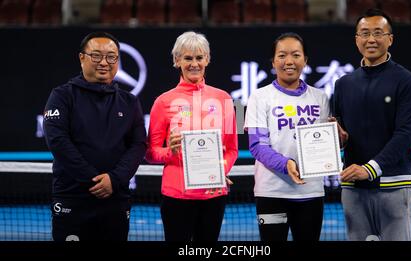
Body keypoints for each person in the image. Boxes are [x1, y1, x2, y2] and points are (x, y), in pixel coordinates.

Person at [43, 32, 147, 241]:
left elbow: (138, 145)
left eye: (111, 57)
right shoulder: (61, 96)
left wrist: (114, 180)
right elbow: (58, 141)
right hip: (72, 198)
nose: (104, 62)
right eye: (96, 56)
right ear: (82, 58)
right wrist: (95, 180)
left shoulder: (129, 101)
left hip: (116, 199)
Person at [332, 8, 411, 241]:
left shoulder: (407, 81)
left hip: (394, 184)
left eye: (378, 33)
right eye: (364, 33)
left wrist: (369, 169)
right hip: (353, 188)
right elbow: (340, 134)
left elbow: (405, 135)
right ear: (356, 40)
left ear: (390, 39)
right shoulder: (343, 85)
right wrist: (338, 140)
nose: (371, 39)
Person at [145, 31, 238, 242]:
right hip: (176, 195)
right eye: (187, 58)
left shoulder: (228, 99)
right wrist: (170, 152)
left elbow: (233, 149)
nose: (194, 63)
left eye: (199, 57)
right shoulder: (161, 101)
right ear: (177, 61)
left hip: (214, 194)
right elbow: (150, 152)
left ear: (207, 59)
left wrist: (219, 170)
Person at [244, 32, 329, 241]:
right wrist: (286, 164)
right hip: (271, 192)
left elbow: (324, 146)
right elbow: (256, 146)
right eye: (282, 55)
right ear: (273, 61)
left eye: (296, 55)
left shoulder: (320, 97)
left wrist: (339, 141)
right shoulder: (258, 97)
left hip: (311, 193)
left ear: (305, 60)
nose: (289, 61)